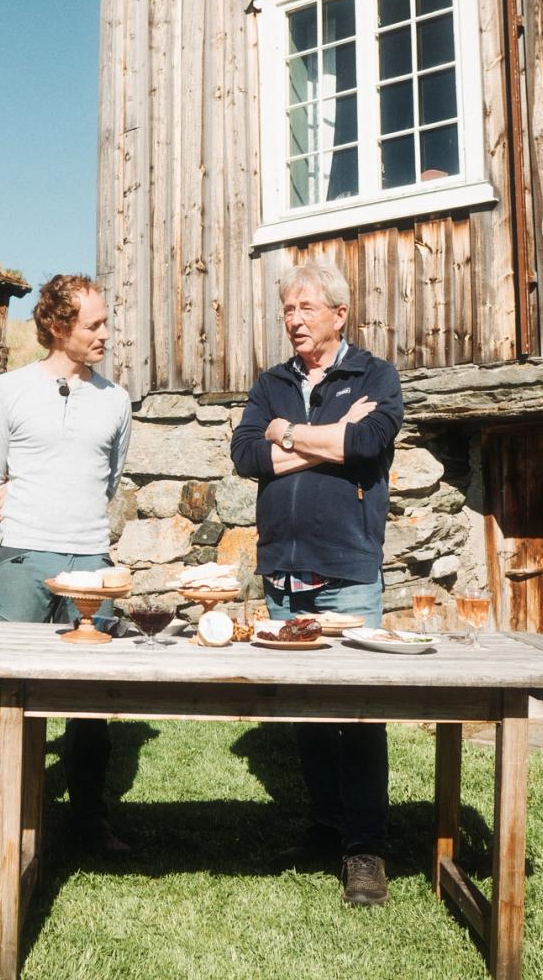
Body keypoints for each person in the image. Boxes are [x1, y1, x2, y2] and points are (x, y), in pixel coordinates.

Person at [228, 261, 404, 907]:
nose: (295, 320)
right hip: (284, 569)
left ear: (338, 312)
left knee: (357, 711)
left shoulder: (374, 375)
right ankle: (324, 825)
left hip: (347, 568)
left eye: (306, 308)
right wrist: (315, 438)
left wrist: (288, 433)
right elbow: (246, 454)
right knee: (304, 710)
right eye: (287, 310)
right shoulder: (271, 382)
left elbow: (368, 442)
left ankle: (365, 851)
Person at [0, 274, 133, 862]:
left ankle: (89, 822)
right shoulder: (9, 390)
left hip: (91, 561)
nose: (106, 335)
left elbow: (111, 479)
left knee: (90, 700)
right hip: (23, 558)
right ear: (58, 327)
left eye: (105, 322)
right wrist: (20, 530)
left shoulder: (115, 400)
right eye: (94, 325)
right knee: (7, 692)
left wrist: (79, 535)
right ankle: (0, 822)